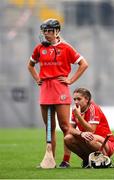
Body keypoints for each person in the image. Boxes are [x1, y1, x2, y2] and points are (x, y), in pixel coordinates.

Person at [27, 19, 88, 163]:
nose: (47, 34)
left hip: (60, 88)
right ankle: (51, 160)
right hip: (45, 89)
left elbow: (84, 64)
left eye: (50, 31)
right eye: (45, 31)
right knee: (49, 127)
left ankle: (66, 160)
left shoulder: (66, 48)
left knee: (65, 126)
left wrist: (70, 80)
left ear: (57, 32)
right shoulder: (39, 48)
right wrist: (37, 79)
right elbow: (30, 65)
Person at [60, 88, 114, 168]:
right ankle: (87, 161)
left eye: (79, 99)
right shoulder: (76, 110)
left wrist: (79, 117)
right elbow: (70, 129)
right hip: (90, 140)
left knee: (89, 138)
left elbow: (91, 130)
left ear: (86, 99)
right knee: (68, 138)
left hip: (107, 143)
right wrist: (81, 133)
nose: (76, 102)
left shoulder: (93, 108)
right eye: (74, 99)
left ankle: (106, 160)